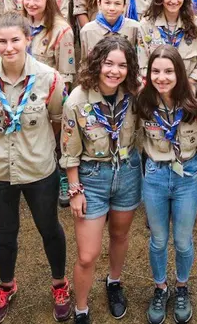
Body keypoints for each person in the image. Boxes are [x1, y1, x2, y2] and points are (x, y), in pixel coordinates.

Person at [0, 16, 71, 322]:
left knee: (49, 228)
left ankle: (59, 285)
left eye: (15, 40)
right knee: (4, 233)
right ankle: (6, 285)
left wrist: (38, 148)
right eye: (2, 41)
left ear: (29, 39)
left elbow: (57, 121)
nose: (8, 47)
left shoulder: (50, 78)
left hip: (38, 169)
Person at [61, 35, 143, 324]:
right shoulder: (77, 100)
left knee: (120, 235)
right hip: (91, 178)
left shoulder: (134, 94)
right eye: (108, 63)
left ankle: (114, 281)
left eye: (122, 65)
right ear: (97, 63)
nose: (114, 71)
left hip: (128, 172)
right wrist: (74, 189)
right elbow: (69, 150)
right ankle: (81, 308)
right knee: (87, 254)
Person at [135, 46, 197, 324]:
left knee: (182, 239)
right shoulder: (142, 100)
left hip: (187, 176)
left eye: (168, 71)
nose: (162, 77)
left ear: (179, 72)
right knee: (158, 240)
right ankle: (160, 287)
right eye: (155, 71)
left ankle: (181, 287)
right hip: (154, 174)